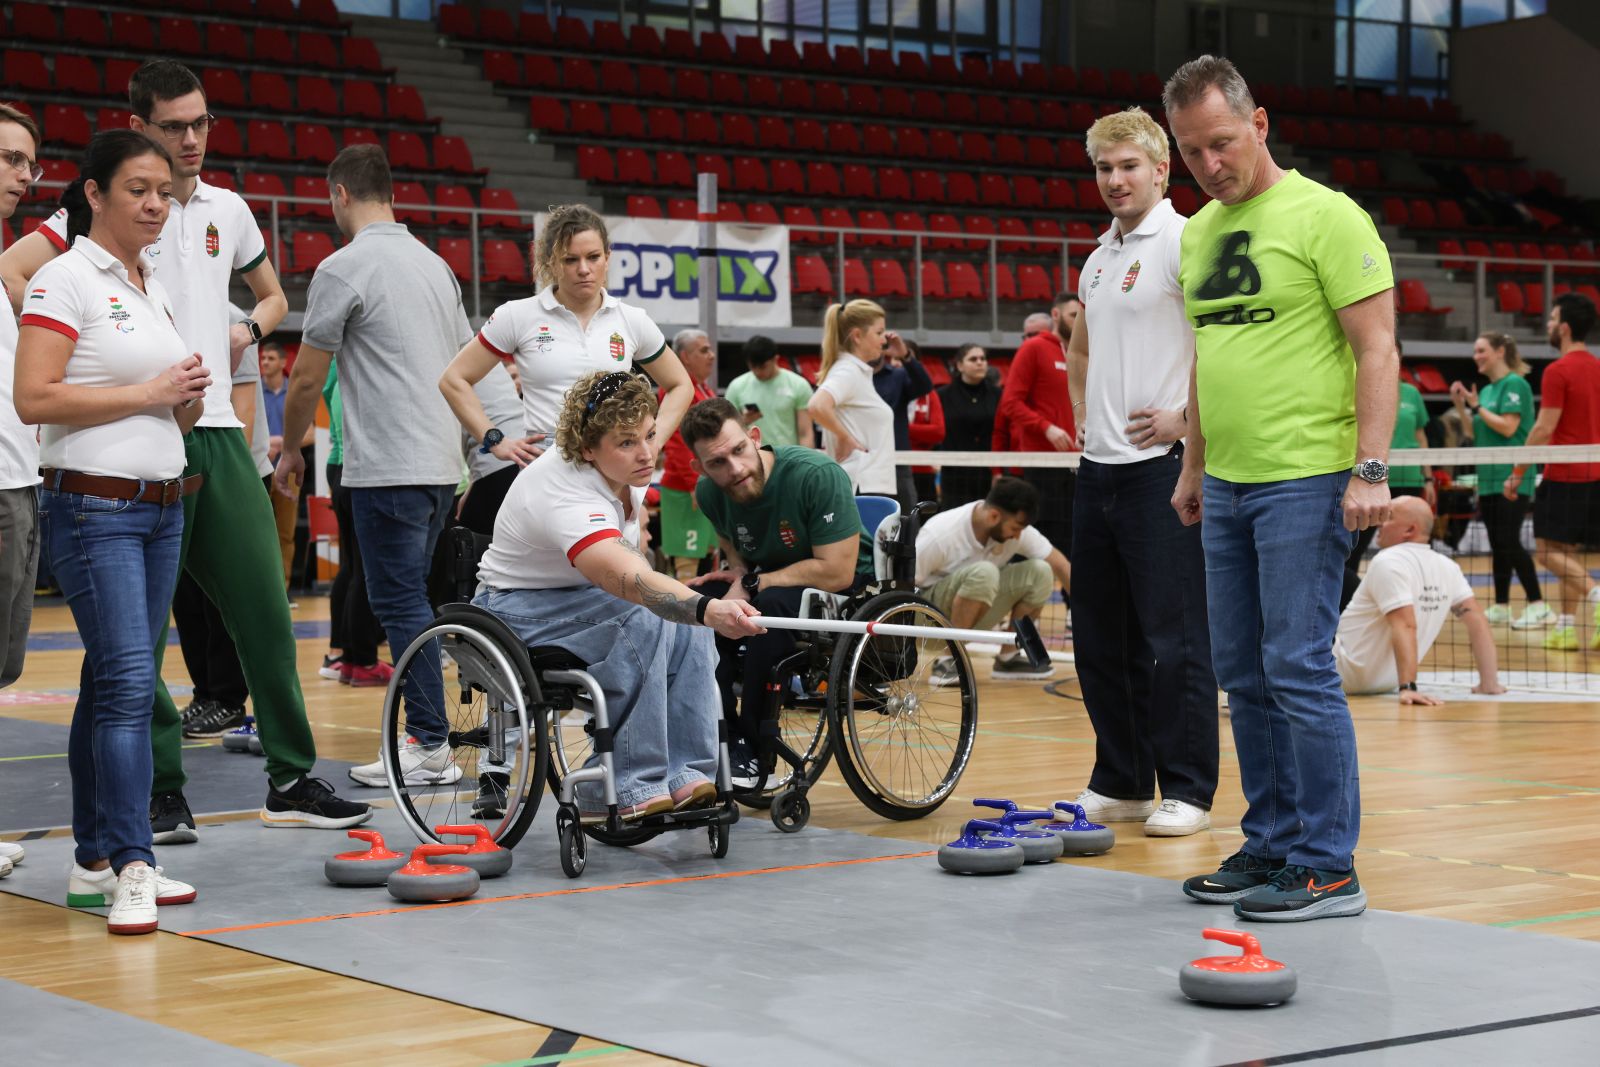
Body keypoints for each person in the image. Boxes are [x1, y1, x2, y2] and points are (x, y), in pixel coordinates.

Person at [3, 62, 369, 839]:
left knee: (265, 610)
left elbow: (272, 296)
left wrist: (248, 330)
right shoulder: (99, 201)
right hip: (125, 443)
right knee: (136, 636)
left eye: (201, 123)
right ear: (138, 127)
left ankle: (291, 778)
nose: (192, 139)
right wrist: (73, 353)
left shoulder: (227, 209)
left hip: (215, 436)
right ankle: (161, 789)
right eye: (174, 127)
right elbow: (14, 271)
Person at [1166, 56, 1397, 922]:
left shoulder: (1326, 216)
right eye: (1191, 153)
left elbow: (1378, 347)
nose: (1209, 165)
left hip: (1306, 477)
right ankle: (1271, 844)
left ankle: (1328, 863)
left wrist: (1370, 468)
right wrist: (1193, 462)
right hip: (1225, 480)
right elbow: (1206, 356)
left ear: (1259, 125)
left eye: (1221, 143)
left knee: (1298, 667)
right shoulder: (1195, 234)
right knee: (1243, 671)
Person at [15, 131, 209, 933]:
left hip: (161, 507)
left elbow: (162, 397)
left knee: (108, 683)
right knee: (129, 685)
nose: (156, 202)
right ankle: (136, 860)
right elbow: (35, 397)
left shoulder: (148, 281)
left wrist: (183, 396)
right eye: (137, 188)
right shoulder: (64, 279)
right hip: (94, 508)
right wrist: (150, 389)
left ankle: (93, 860)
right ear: (93, 194)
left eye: (163, 189)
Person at [274, 144, 475, 790]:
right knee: (412, 599)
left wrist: (288, 449)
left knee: (399, 604)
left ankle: (429, 743)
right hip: (441, 462)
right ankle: (430, 738)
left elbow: (306, 376)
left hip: (387, 463)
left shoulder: (345, 266)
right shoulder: (437, 266)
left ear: (339, 195)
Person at [474, 372, 762, 820]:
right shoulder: (566, 492)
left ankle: (686, 772)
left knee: (688, 621)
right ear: (588, 448)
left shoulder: (626, 465)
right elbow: (630, 581)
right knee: (651, 615)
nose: (647, 453)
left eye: (649, 435)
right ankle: (624, 781)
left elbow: (678, 384)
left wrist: (699, 611)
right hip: (513, 607)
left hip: (577, 597)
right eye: (628, 442)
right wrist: (708, 606)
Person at [1064, 106, 1218, 839]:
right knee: (1098, 635)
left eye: (1129, 165)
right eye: (1104, 167)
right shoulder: (1098, 257)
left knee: (1174, 637)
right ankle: (1121, 779)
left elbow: (1219, 347)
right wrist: (1085, 421)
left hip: (1164, 471)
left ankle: (1188, 787)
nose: (1115, 179)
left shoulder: (1187, 242)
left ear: (1161, 169)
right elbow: (1082, 351)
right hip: (1098, 472)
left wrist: (1189, 424)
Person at [680, 398, 875, 781]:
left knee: (765, 608)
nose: (734, 469)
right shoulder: (709, 494)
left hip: (847, 587)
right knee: (699, 612)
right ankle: (721, 739)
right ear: (699, 467)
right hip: (771, 582)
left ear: (754, 437)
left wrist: (754, 582)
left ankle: (755, 747)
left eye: (739, 451)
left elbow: (836, 571)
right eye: (717, 463)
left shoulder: (815, 474)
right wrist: (733, 577)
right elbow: (738, 554)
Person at [1335, 497, 1503, 701]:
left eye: (1388, 517)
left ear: (1409, 530)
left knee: (1331, 574)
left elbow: (1405, 625)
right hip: (1387, 681)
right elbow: (1477, 620)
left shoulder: (1387, 561)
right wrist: (1489, 682)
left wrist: (1408, 687)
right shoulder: (1448, 567)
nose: (1380, 523)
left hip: (1338, 675)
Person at [1507, 293, 1600, 650]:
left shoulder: (1558, 371)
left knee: (1547, 553)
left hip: (1565, 475)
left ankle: (1595, 597)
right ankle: (1566, 627)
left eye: (1550, 319)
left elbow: (1544, 428)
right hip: (1593, 474)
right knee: (1567, 554)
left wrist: (1518, 471)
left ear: (1563, 328)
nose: (1546, 325)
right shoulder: (1595, 367)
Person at [914, 477, 1070, 685]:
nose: (1018, 536)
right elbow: (903, 586)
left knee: (1041, 572)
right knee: (985, 573)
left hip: (969, 613)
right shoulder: (939, 534)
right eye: (1015, 528)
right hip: (922, 623)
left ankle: (1008, 658)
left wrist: (1089, 618)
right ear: (994, 516)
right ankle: (948, 660)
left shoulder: (1013, 529)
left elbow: (1060, 564)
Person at [1450, 331, 1546, 628]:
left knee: (1508, 540)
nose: (1476, 356)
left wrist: (1478, 407)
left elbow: (1507, 428)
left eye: (1481, 350)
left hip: (1513, 475)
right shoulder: (1489, 390)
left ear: (1500, 351)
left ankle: (1538, 604)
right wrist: (1463, 407)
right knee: (1497, 542)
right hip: (1488, 476)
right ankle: (1502, 605)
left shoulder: (1514, 384)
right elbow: (1472, 434)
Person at [0, 104, 42, 703]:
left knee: (6, 664)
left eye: (29, 164)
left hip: (21, 478)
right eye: (10, 159)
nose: (22, 174)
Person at [1342, 342, 1434, 609]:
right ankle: (1354, 607)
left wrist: (1428, 477)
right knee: (1353, 553)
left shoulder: (1411, 394)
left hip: (1411, 480)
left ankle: (1412, 604)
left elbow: (1420, 435)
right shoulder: (1358, 387)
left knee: (1408, 549)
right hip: (1371, 482)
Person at [317, 358, 390, 686]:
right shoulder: (355, 366)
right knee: (362, 569)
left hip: (339, 465)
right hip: (356, 466)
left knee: (351, 567)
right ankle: (361, 660)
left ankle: (345, 656)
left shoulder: (334, 365)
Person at [997, 291, 1079, 556]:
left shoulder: (1084, 354)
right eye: (1073, 315)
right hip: (1042, 463)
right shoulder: (1033, 348)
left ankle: (1074, 597)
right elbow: (1010, 402)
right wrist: (1046, 426)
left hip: (1077, 462)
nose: (1080, 322)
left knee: (1076, 542)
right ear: (1055, 315)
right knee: (1040, 545)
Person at [807, 300, 898, 497]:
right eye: (879, 332)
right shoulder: (848, 371)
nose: (884, 340)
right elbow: (817, 405)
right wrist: (845, 437)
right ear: (857, 335)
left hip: (867, 486)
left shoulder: (855, 371)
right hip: (863, 486)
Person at [658, 328, 719, 580]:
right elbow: (675, 441)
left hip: (705, 483)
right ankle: (683, 619)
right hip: (685, 489)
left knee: (706, 554)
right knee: (687, 561)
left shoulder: (703, 389)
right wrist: (694, 483)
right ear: (684, 357)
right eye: (704, 350)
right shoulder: (676, 389)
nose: (712, 355)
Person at [936, 344, 1002, 509]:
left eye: (983, 359)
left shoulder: (998, 394)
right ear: (959, 365)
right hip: (954, 472)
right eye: (973, 359)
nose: (980, 362)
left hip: (988, 472)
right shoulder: (943, 395)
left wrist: (999, 470)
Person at [871, 332, 934, 506]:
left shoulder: (897, 376)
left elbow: (925, 385)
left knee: (905, 523)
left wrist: (905, 356)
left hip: (896, 463)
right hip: (861, 464)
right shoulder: (850, 377)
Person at [725, 334, 813, 449]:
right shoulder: (736, 387)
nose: (757, 372)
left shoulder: (798, 385)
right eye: (753, 367)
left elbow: (805, 432)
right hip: (753, 458)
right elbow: (726, 430)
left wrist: (805, 463)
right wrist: (743, 421)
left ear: (775, 359)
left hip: (787, 457)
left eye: (762, 367)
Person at [908, 379, 944, 505]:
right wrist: (922, 432)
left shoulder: (929, 394)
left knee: (926, 519)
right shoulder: (887, 389)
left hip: (923, 469)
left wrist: (903, 429)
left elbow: (938, 432)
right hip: (892, 469)